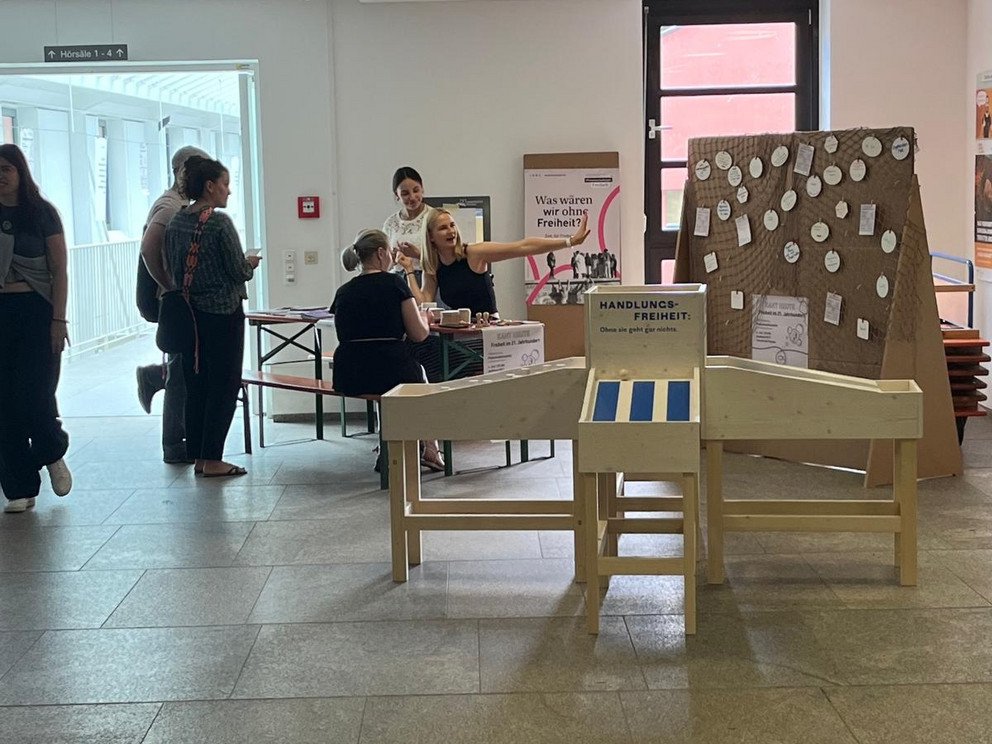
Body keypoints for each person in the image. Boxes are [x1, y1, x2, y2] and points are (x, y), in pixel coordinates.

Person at [164, 156, 261, 478]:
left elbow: (168, 261)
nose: (228, 192)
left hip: (189, 314)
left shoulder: (178, 220)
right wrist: (250, 263)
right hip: (222, 313)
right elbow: (237, 270)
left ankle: (200, 456)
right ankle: (214, 458)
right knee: (224, 383)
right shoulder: (219, 223)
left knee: (197, 382)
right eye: (225, 184)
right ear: (210, 186)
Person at [330, 229, 444, 472]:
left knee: (391, 383)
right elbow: (419, 334)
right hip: (389, 368)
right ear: (381, 254)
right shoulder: (394, 283)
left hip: (348, 373)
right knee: (419, 375)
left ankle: (387, 448)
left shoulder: (344, 291)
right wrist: (425, 316)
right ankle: (431, 449)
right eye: (391, 252)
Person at [0, 144, 72, 513]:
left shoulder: (41, 213)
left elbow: (58, 270)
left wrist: (58, 320)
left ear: (21, 172)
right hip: (2, 310)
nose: (1, 175)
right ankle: (19, 488)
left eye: (6, 169)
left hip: (37, 310)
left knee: (35, 395)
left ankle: (51, 450)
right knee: (5, 404)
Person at [135, 145, 209, 464]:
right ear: (179, 172)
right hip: (174, 300)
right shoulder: (170, 207)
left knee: (183, 365)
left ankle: (154, 376)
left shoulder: (182, 205)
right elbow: (149, 247)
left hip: (180, 298)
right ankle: (175, 445)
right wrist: (170, 285)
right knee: (181, 371)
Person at [400, 210, 590, 317]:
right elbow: (423, 301)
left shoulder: (474, 253)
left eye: (452, 225)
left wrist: (570, 241)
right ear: (431, 237)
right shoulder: (433, 266)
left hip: (489, 333)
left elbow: (522, 247)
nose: (451, 231)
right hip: (459, 337)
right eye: (443, 228)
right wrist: (409, 269)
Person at [382, 166, 435, 280]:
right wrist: (392, 258)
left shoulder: (434, 217)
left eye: (416, 190)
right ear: (397, 195)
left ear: (422, 189)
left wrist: (418, 255)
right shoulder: (390, 223)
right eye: (405, 193)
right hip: (398, 279)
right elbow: (385, 263)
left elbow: (447, 257)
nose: (412, 197)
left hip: (428, 279)